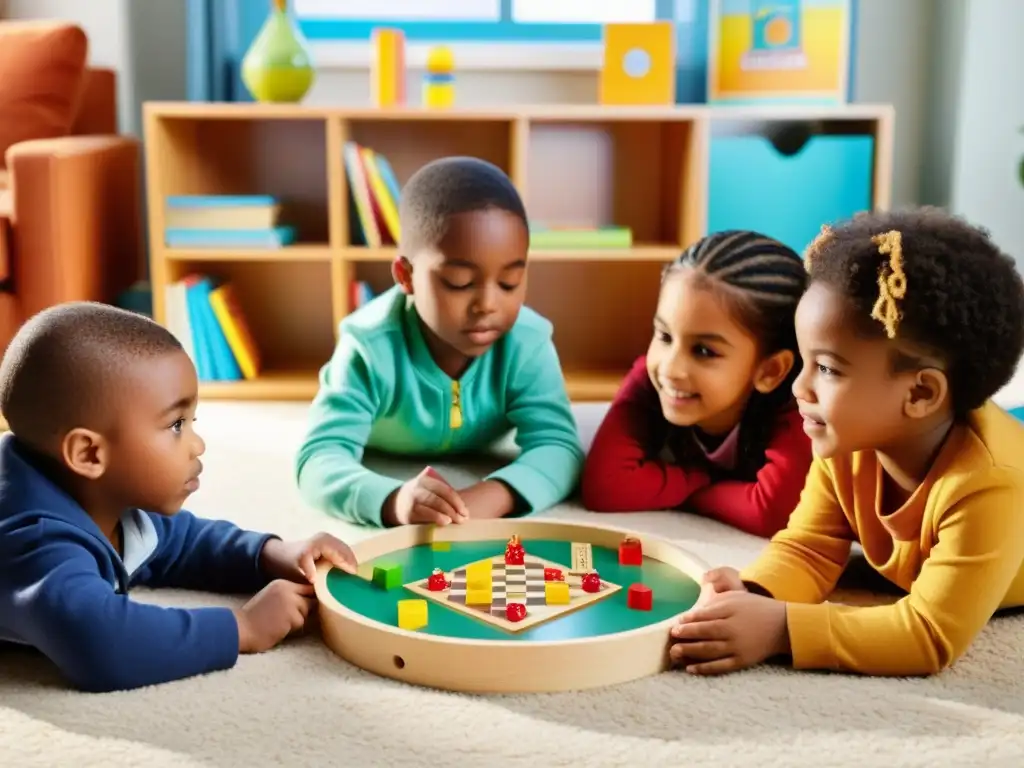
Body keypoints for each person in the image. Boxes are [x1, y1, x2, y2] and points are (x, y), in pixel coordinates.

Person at [670, 209, 1024, 677]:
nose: (799, 388)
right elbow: (809, 548)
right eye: (805, 362)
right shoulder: (847, 441)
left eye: (829, 369)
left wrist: (782, 629)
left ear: (920, 393)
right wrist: (756, 595)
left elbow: (928, 635)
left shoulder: (990, 485)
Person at [0, 302, 358, 693]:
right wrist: (241, 627)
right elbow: (99, 643)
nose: (198, 444)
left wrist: (272, 554)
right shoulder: (36, 542)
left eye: (192, 422)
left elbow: (182, 542)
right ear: (89, 454)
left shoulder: (104, 500)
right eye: (175, 425)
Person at [296, 156, 583, 528]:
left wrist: (495, 494)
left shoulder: (527, 342)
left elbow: (560, 447)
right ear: (406, 276)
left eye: (510, 282)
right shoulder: (368, 346)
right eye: (460, 283)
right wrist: (392, 501)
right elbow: (319, 458)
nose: (488, 304)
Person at [580, 230, 812, 537]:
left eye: (704, 351)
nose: (671, 367)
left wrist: (694, 490)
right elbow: (606, 487)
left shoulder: (799, 408)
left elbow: (774, 513)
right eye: (664, 336)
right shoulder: (653, 379)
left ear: (770, 371)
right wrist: (703, 480)